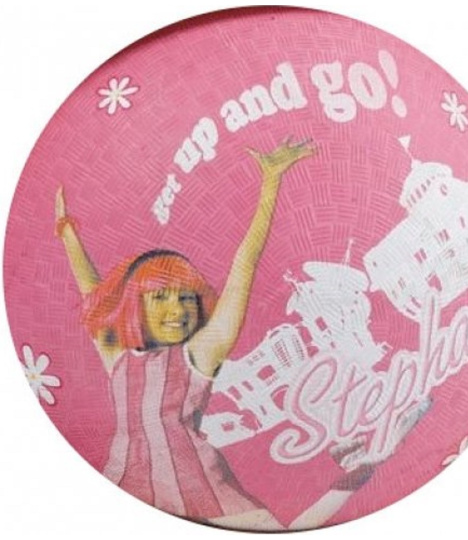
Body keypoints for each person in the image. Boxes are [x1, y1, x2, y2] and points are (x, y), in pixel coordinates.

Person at [55, 137, 373, 531]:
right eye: (160, 297)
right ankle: (357, 474)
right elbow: (92, 290)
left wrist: (270, 183)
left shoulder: (199, 354)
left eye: (186, 298)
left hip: (195, 477)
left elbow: (244, 264)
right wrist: (66, 231)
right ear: (135, 305)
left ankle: (354, 477)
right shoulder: (118, 355)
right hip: (124, 478)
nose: (177, 310)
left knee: (275, 530)